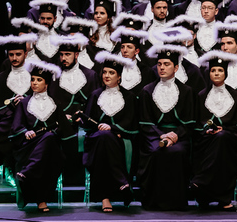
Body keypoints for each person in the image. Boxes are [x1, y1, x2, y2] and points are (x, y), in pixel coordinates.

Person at [136, 45, 196, 211]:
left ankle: (176, 201)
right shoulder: (147, 91)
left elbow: (189, 122)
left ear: (176, 68)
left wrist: (175, 135)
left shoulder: (187, 91)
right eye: (159, 64)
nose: (162, 67)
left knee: (178, 152)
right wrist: (161, 136)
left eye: (166, 64)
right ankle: (154, 201)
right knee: (156, 151)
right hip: (153, 136)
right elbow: (145, 122)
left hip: (179, 137)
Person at [9, 62, 72, 213]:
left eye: (39, 80)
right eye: (32, 80)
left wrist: (55, 130)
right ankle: (41, 200)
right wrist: (25, 132)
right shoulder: (24, 103)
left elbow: (64, 129)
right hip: (29, 145)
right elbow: (16, 126)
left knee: (49, 140)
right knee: (46, 145)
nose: (34, 83)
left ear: (46, 83)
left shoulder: (55, 103)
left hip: (51, 146)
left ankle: (28, 174)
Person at [189, 51, 237, 210]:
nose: (216, 73)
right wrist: (206, 130)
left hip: (229, 139)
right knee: (216, 141)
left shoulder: (235, 96)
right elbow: (196, 123)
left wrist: (225, 129)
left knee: (222, 139)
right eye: (213, 70)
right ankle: (210, 197)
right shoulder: (201, 95)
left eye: (220, 70)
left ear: (225, 73)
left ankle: (203, 184)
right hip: (205, 139)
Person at [83, 52, 139, 213]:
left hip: (119, 141)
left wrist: (114, 129)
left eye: (111, 73)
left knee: (106, 138)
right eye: (105, 72)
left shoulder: (129, 97)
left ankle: (105, 197)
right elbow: (88, 124)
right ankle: (122, 182)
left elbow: (132, 124)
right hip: (96, 139)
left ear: (119, 77)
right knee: (103, 137)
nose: (106, 76)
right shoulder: (95, 95)